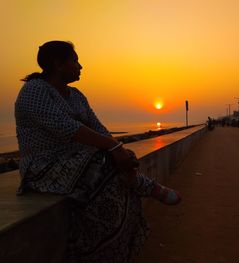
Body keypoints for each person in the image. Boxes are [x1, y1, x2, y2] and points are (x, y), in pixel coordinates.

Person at [15, 40, 181, 263]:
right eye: (75, 61)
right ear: (58, 64)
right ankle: (145, 186)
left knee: (119, 167)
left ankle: (118, 242)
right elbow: (66, 127)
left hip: (81, 161)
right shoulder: (34, 91)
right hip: (44, 168)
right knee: (106, 162)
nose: (80, 66)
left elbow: (98, 128)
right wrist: (112, 147)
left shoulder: (76, 95)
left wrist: (118, 147)